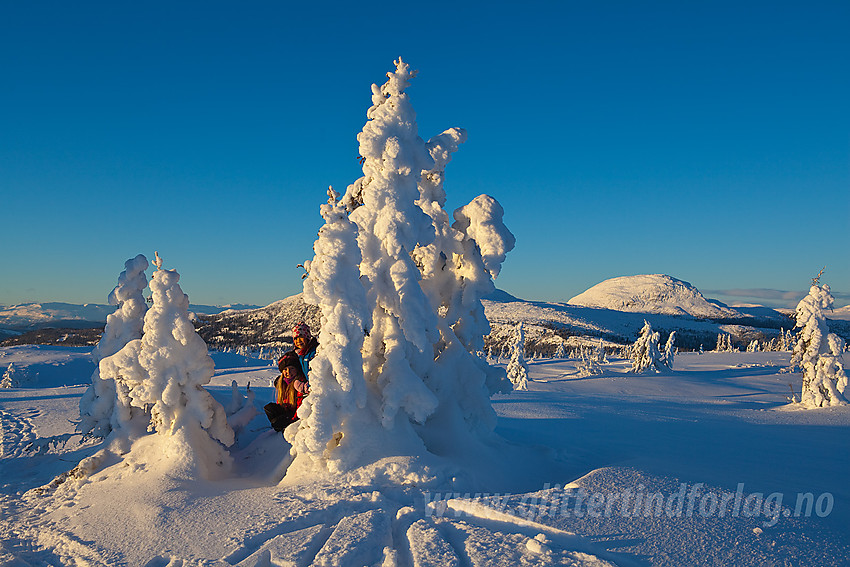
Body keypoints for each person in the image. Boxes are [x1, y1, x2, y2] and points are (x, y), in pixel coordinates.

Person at [264, 351, 309, 432]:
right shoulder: (282, 383)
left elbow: (300, 405)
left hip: (295, 416)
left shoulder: (299, 383)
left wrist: (293, 421)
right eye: (285, 369)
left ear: (297, 369)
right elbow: (280, 402)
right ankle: (279, 431)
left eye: (292, 368)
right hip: (287, 412)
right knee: (269, 408)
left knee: (277, 422)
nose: (288, 372)